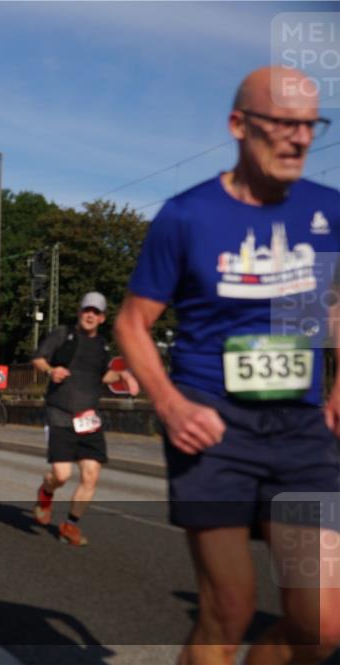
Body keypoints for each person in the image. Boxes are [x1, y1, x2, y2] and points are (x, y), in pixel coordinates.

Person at [114, 66, 340, 664]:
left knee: (320, 625)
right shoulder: (187, 216)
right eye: (283, 124)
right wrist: (169, 404)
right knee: (230, 607)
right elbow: (132, 322)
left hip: (300, 431)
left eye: (310, 125)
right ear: (239, 125)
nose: (299, 139)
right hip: (213, 427)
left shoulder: (327, 210)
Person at [31, 292, 138, 546]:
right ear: (80, 312)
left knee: (91, 475)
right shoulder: (63, 334)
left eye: (96, 312)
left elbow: (103, 376)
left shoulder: (101, 344)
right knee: (62, 475)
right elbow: (38, 358)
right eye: (86, 310)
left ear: (102, 318)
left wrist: (122, 376)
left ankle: (70, 526)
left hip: (88, 418)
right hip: (60, 413)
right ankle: (46, 492)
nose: (90, 315)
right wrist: (50, 370)